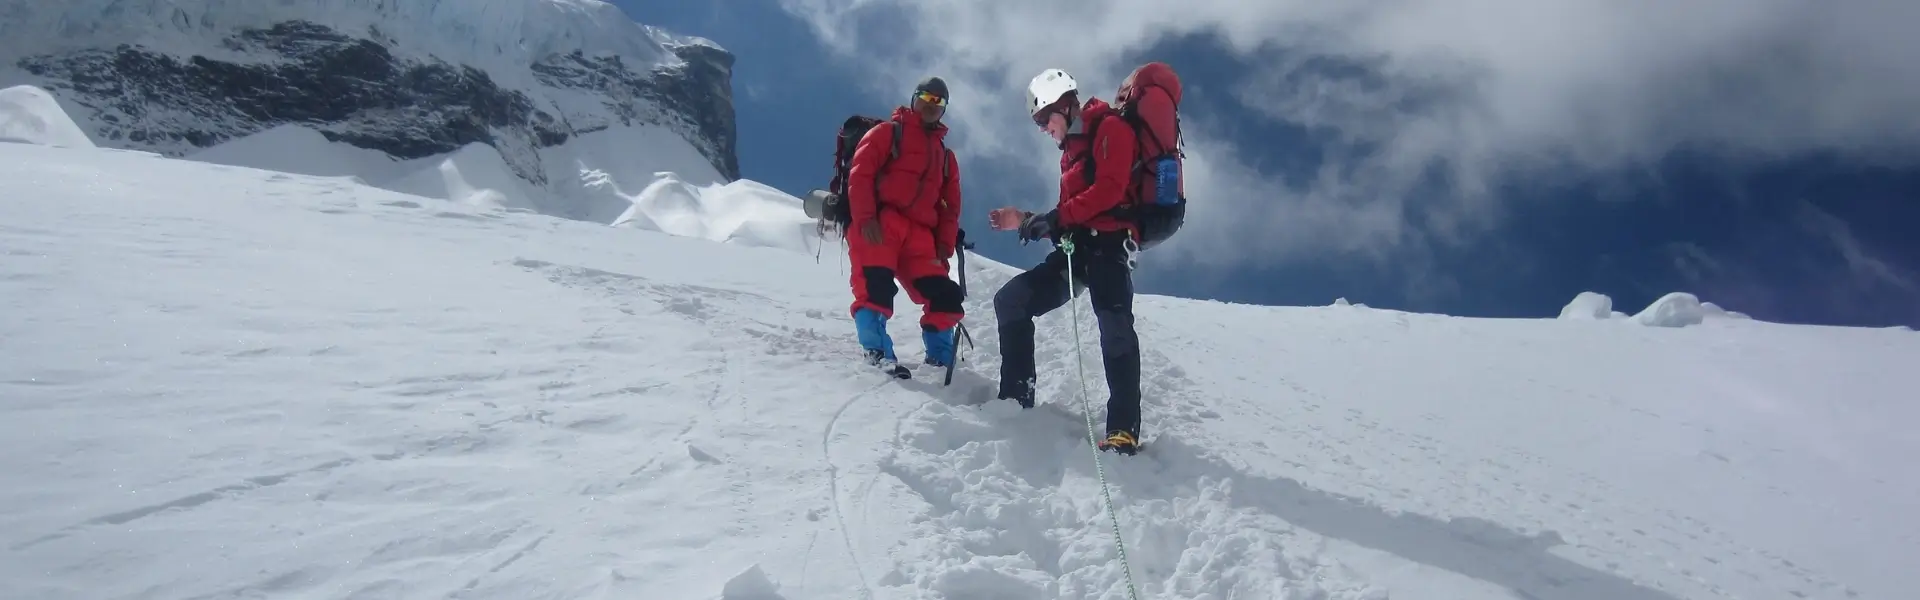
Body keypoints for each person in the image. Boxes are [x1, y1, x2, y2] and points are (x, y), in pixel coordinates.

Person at [987, 68, 1143, 455]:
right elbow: (1071, 214)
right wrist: (1027, 220)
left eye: (1044, 118)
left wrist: (1052, 219)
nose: (1042, 128)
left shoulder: (1110, 127)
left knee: (1115, 327)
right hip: (1079, 253)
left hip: (1108, 249)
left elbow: (1109, 190)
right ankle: (1016, 398)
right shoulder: (1072, 154)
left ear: (1066, 106)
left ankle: (1123, 430)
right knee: (1011, 301)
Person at [844, 77, 965, 378]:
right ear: (914, 98)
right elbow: (861, 174)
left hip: (921, 236)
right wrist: (865, 218)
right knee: (876, 286)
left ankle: (940, 361)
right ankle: (877, 354)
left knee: (945, 295)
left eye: (938, 102)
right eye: (925, 97)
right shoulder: (887, 133)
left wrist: (943, 246)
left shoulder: (946, 157)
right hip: (882, 222)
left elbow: (949, 207)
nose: (930, 105)